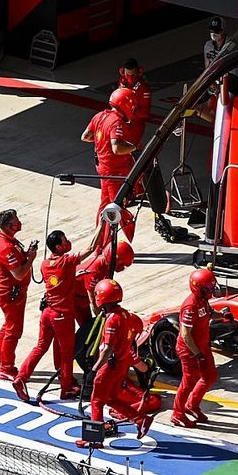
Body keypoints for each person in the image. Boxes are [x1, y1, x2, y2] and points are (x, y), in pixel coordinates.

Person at [12, 229, 100, 402]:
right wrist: (103, 224)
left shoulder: (44, 264)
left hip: (47, 313)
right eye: (65, 240)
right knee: (66, 354)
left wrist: (74, 277)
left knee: (40, 347)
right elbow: (91, 248)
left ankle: (21, 378)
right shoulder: (66, 261)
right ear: (59, 247)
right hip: (62, 316)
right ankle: (66, 388)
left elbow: (57, 281)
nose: (68, 242)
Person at [80, 280, 149, 447]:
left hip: (110, 366)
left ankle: (94, 440)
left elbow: (107, 350)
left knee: (96, 400)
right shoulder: (126, 314)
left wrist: (94, 370)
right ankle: (142, 420)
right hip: (122, 364)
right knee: (110, 397)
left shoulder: (111, 320)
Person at [0, 209, 38, 381]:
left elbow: (19, 262)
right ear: (10, 226)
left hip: (12, 292)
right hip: (11, 294)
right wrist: (31, 258)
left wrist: (27, 254)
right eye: (17, 221)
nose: (20, 223)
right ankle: (7, 367)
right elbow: (18, 273)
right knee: (14, 331)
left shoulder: (8, 240)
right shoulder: (6, 247)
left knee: (8, 326)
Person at [170, 269, 220, 429]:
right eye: (208, 288)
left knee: (210, 376)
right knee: (188, 381)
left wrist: (224, 316)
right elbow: (185, 334)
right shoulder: (190, 306)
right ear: (199, 288)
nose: (212, 291)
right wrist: (197, 354)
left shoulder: (202, 300)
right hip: (190, 350)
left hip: (202, 346)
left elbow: (209, 314)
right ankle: (177, 413)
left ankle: (192, 404)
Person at [81, 88, 138, 221]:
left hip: (102, 169)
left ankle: (100, 239)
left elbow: (85, 136)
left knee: (104, 205)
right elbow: (117, 148)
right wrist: (133, 148)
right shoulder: (116, 122)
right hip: (114, 172)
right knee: (115, 209)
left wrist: (103, 141)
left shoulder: (100, 116)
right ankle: (110, 238)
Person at [75, 240, 135, 326]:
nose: (123, 269)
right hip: (75, 299)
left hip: (83, 297)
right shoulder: (96, 270)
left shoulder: (107, 267)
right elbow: (94, 304)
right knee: (87, 327)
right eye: (122, 265)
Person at [117, 57, 152, 147]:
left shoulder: (144, 89)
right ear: (122, 72)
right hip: (120, 122)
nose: (130, 77)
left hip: (135, 125)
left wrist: (132, 112)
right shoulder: (122, 81)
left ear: (139, 72)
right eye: (127, 74)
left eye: (133, 75)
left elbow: (145, 113)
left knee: (130, 150)